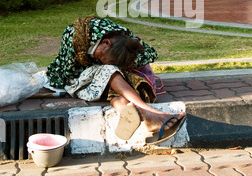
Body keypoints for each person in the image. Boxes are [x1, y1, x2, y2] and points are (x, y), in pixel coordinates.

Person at [46, 16, 185, 143]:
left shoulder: (122, 35)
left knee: (114, 81)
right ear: (105, 42)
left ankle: (125, 108)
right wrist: (104, 68)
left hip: (110, 81)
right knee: (109, 71)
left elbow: (146, 54)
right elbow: (68, 73)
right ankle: (148, 112)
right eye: (100, 56)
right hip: (77, 79)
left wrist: (124, 65)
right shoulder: (74, 36)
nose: (100, 59)